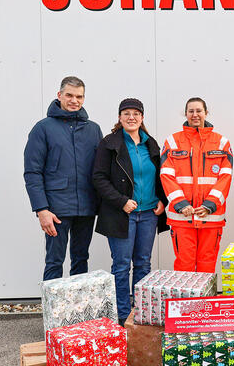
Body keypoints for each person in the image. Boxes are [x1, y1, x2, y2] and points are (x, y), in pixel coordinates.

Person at [92, 98, 168, 325]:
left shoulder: (150, 143)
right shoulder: (109, 143)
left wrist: (162, 200)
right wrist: (121, 201)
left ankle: (141, 313)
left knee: (144, 263)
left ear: (142, 117)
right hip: (121, 213)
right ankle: (123, 315)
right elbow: (99, 178)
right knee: (122, 265)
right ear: (120, 117)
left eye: (136, 113)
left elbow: (161, 175)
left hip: (148, 214)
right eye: (126, 113)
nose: (131, 117)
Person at [24, 76, 103, 281]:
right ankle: (52, 303)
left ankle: (77, 302)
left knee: (81, 259)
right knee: (54, 261)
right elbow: (32, 172)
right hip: (55, 209)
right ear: (59, 95)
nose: (74, 100)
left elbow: (102, 170)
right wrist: (41, 209)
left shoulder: (93, 129)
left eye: (79, 96)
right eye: (69, 95)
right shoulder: (43, 128)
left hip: (86, 206)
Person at [160, 97, 233, 273]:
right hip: (182, 217)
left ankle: (205, 293)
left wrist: (209, 205)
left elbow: (225, 177)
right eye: (191, 111)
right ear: (185, 113)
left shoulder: (222, 143)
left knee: (207, 264)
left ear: (206, 113)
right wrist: (181, 204)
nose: (195, 115)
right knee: (184, 265)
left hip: (211, 216)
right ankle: (186, 294)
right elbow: (166, 176)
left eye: (199, 111)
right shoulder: (172, 142)